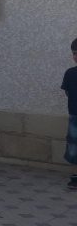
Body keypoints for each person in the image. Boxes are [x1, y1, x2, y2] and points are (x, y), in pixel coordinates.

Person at [63, 37, 77, 189]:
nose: (76, 56)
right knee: (74, 147)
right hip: (75, 116)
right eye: (74, 53)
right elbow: (67, 91)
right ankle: (75, 178)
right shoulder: (70, 73)